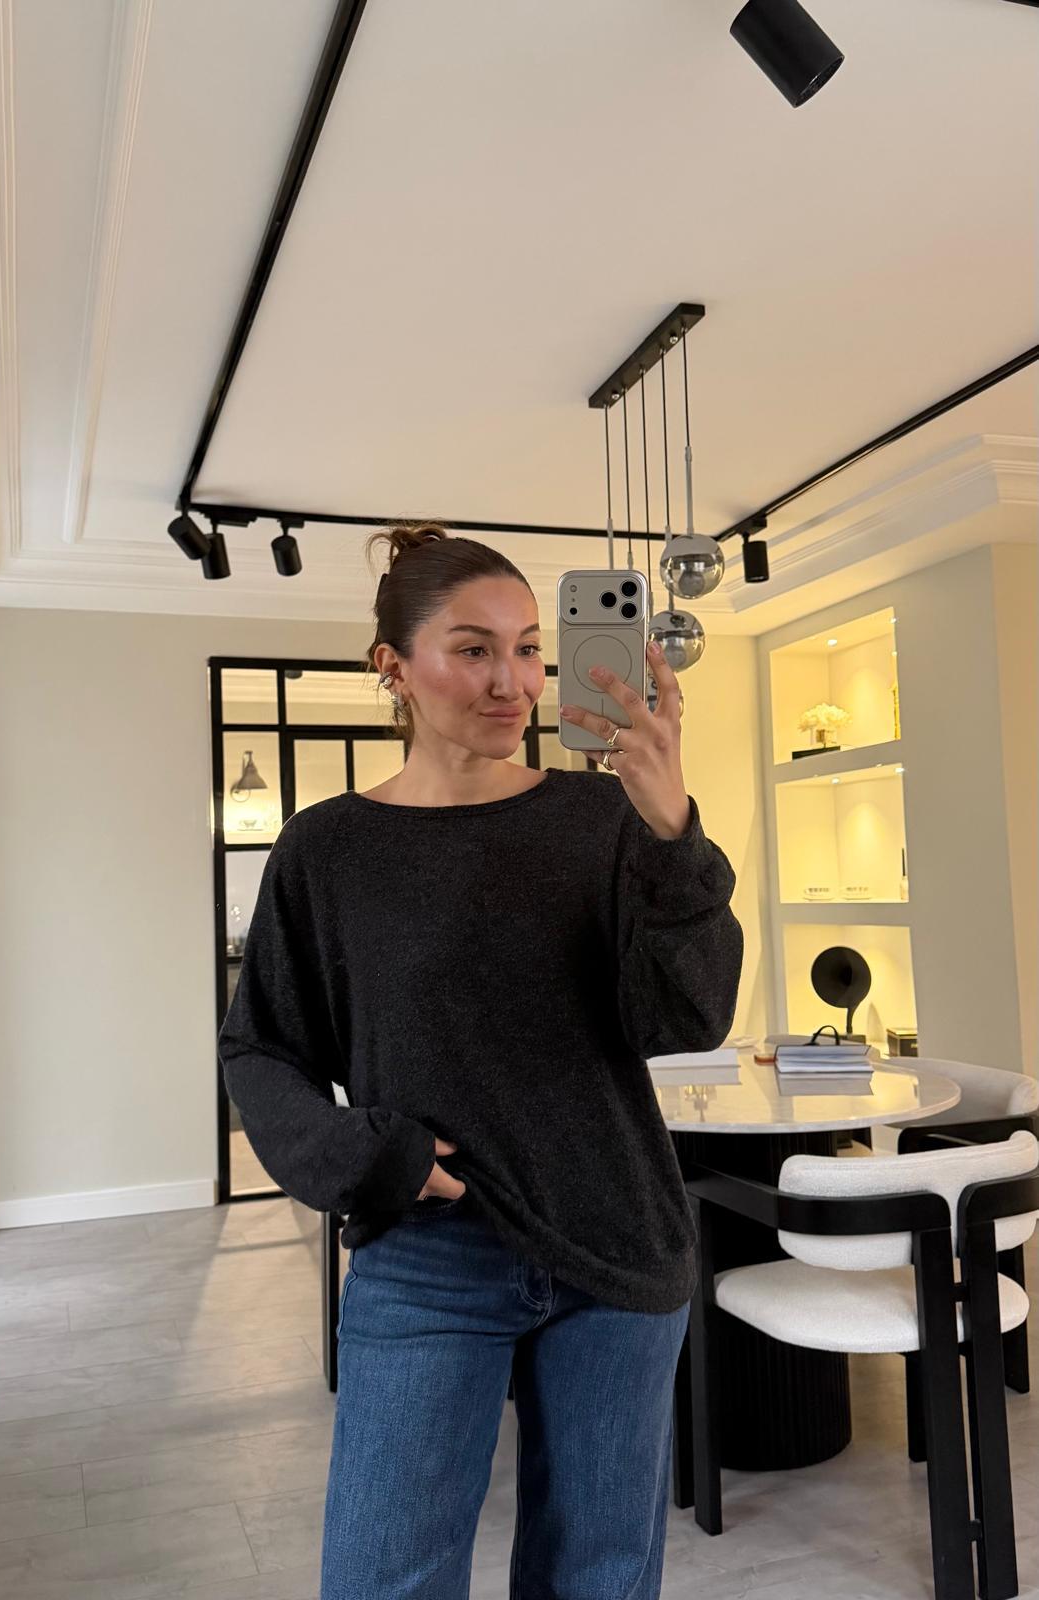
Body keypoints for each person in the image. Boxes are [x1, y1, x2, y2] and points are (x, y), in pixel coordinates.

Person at [218, 522, 745, 1600]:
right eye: (473, 649)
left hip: (616, 1242)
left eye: (529, 648)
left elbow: (688, 1019)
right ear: (394, 667)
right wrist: (372, 1155)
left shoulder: (604, 818)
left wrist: (672, 833)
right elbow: (261, 1048)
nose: (512, 682)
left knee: (597, 1580)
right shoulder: (328, 848)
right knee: (385, 1576)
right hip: (427, 1256)